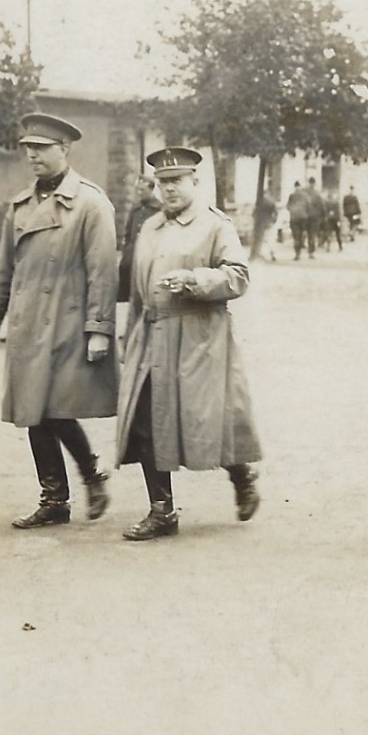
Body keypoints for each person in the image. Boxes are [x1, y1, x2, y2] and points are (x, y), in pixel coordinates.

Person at [0, 112, 118, 529]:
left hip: (67, 323)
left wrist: (98, 329)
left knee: (52, 407)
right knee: (31, 410)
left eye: (41, 148)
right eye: (28, 149)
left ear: (65, 150)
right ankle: (55, 497)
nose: (32, 156)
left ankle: (90, 475)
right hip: (26, 323)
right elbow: (5, 270)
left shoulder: (91, 203)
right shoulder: (20, 206)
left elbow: (102, 272)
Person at [116, 147, 262, 540]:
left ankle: (242, 474)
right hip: (153, 337)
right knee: (146, 420)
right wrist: (128, 339)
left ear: (195, 182)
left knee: (205, 422)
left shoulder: (215, 226)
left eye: (176, 181)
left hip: (198, 339)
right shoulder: (150, 227)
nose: (168, 190)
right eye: (162, 183)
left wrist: (195, 279)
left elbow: (238, 276)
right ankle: (161, 510)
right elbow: (136, 289)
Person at [118, 174, 162, 299]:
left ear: (151, 189)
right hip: (132, 250)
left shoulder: (158, 209)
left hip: (150, 250)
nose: (139, 193)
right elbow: (128, 230)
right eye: (137, 189)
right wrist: (126, 249)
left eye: (142, 190)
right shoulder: (135, 208)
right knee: (125, 270)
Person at [286, 180, 315, 260]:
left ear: (295, 187)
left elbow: (288, 207)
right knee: (303, 233)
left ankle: (297, 254)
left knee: (296, 236)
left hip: (294, 218)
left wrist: (293, 211)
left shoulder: (292, 195)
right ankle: (302, 242)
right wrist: (307, 213)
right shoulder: (305, 196)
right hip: (303, 217)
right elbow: (309, 206)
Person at [251, 191, 278, 262]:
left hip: (260, 223)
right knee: (270, 239)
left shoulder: (259, 201)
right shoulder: (271, 200)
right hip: (268, 222)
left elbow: (254, 212)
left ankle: (259, 254)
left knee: (260, 239)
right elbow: (276, 212)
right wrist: (273, 221)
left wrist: (254, 219)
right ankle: (272, 254)